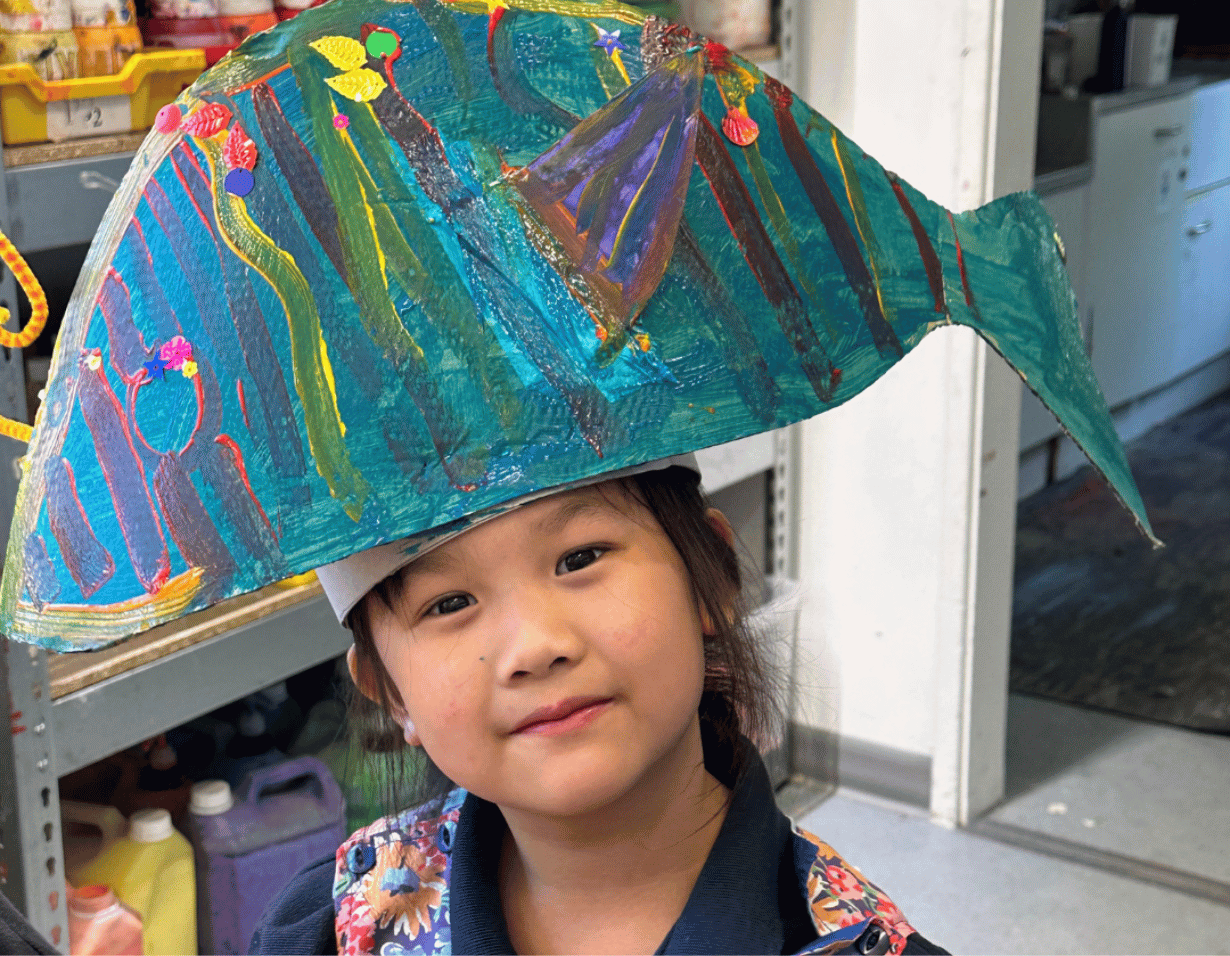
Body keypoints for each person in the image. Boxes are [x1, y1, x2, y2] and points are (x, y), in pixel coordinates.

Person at [250, 455, 947, 955]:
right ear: (392, 694)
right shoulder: (338, 924)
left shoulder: (854, 942)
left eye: (580, 558)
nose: (536, 646)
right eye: (450, 603)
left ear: (710, 578)